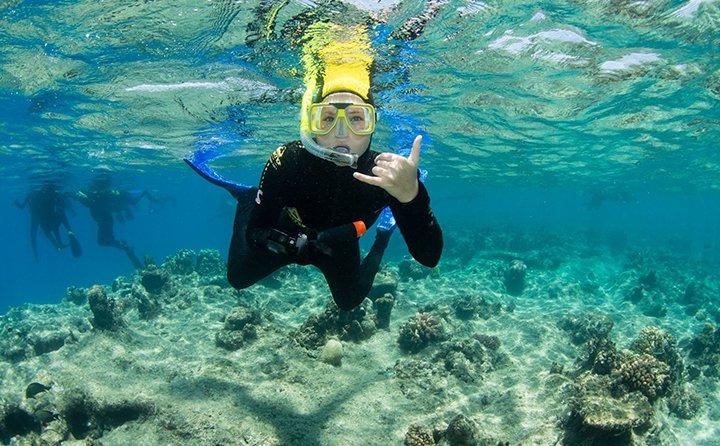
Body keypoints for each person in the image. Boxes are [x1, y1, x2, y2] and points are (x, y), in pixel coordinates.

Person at [224, 23, 443, 311]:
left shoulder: (385, 174)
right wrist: (289, 244)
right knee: (237, 278)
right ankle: (246, 200)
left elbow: (429, 257)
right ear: (310, 127)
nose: (341, 133)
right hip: (287, 231)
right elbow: (255, 233)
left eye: (356, 118)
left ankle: (382, 238)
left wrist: (412, 197)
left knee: (350, 302)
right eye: (327, 119)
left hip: (338, 242)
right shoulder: (286, 161)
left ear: (372, 125)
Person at [74, 173, 152, 269]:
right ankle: (125, 248)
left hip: (105, 222)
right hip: (103, 221)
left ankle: (126, 248)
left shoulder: (97, 197)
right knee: (103, 241)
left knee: (103, 241)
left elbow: (91, 201)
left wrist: (80, 196)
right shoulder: (95, 197)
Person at [14, 180, 82, 261]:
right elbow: (63, 201)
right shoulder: (52, 194)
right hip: (50, 215)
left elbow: (22, 206)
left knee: (39, 232)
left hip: (40, 216)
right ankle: (65, 237)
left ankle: (40, 252)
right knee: (55, 226)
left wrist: (16, 203)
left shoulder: (33, 194)